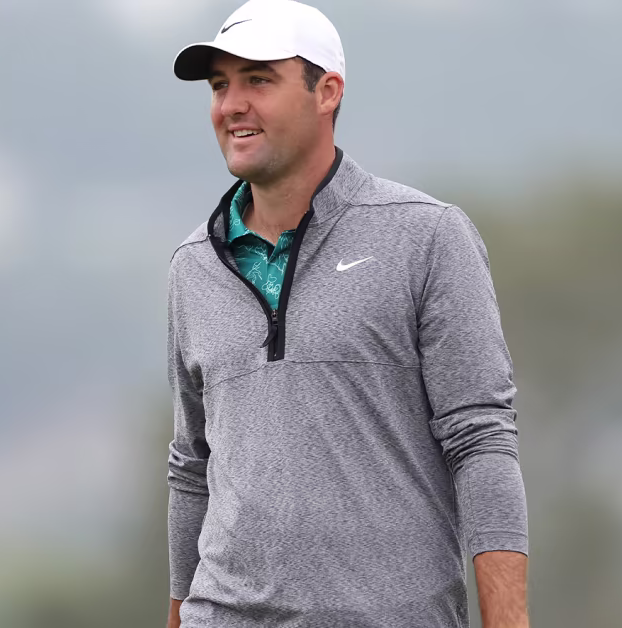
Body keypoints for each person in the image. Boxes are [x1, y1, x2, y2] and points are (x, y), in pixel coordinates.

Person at [165, 1, 529, 626]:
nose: (231, 105)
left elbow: (481, 439)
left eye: (258, 79)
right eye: (220, 86)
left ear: (327, 92)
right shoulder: (192, 265)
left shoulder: (427, 236)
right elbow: (191, 467)